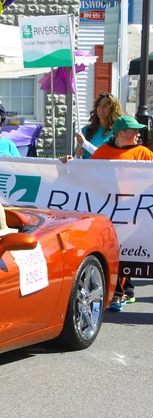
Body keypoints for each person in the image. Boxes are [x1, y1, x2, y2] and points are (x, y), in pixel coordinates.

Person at [89, 116, 153, 311]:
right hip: (110, 210)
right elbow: (83, 175)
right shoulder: (102, 152)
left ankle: (124, 291)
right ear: (122, 133)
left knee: (129, 248)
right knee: (116, 249)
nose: (139, 134)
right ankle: (120, 292)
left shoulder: (143, 153)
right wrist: (68, 163)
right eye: (135, 131)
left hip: (137, 211)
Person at [76, 92, 122, 159]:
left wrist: (85, 144)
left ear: (113, 110)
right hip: (86, 169)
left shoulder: (117, 133)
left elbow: (106, 157)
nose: (100, 108)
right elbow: (78, 159)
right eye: (99, 105)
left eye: (105, 106)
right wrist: (78, 155)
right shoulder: (86, 130)